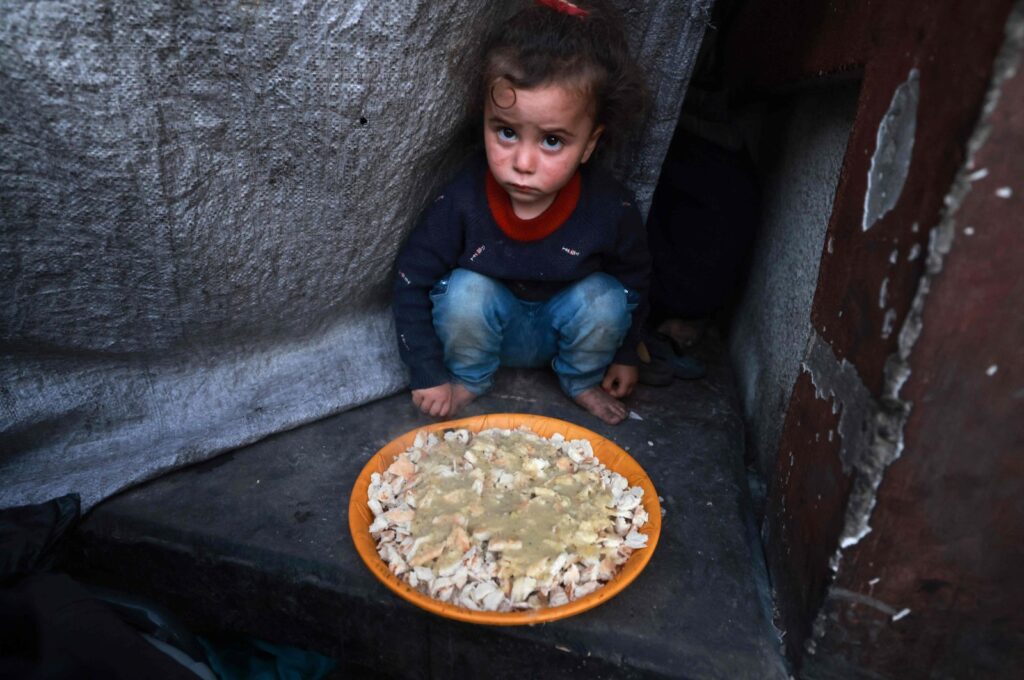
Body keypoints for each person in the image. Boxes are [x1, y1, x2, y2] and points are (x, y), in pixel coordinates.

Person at [392, 0, 650, 425]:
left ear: (589, 143)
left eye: (552, 141)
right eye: (507, 132)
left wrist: (625, 356)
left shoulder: (610, 207)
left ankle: (581, 381)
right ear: (485, 122)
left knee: (606, 296)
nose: (523, 162)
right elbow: (410, 279)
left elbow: (635, 280)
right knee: (464, 291)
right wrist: (427, 373)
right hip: (491, 331)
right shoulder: (463, 199)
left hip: (565, 333)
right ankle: (470, 380)